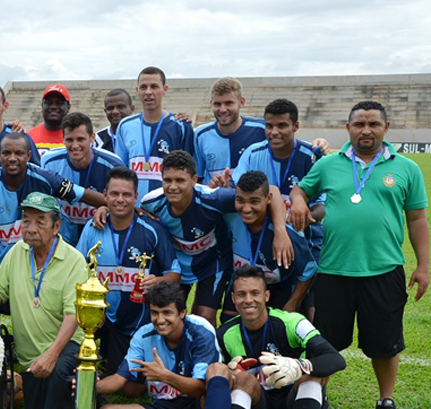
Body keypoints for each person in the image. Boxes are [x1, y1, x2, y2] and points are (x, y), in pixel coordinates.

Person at [290, 100, 429, 409]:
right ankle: (317, 396)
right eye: (359, 125)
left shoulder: (406, 168)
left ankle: (385, 402)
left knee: (386, 343)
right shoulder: (329, 165)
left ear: (386, 127)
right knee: (325, 341)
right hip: (334, 270)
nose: (366, 131)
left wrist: (424, 265)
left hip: (384, 270)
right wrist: (297, 200)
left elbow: (417, 219)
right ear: (348, 128)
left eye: (373, 124)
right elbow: (301, 189)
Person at [180, 265, 346, 409]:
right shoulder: (225, 334)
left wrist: (300, 365)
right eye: (241, 294)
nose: (249, 300)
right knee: (243, 378)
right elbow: (212, 383)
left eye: (255, 293)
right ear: (233, 300)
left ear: (266, 296)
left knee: (315, 373)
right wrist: (230, 373)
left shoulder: (292, 322)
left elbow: (336, 359)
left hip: (293, 408)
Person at [97, 150, 292, 326]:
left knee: (205, 317)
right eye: (168, 180)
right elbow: (129, 210)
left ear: (194, 180)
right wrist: (105, 208)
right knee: (169, 316)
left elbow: (271, 191)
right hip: (177, 265)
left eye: (180, 180)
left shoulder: (213, 198)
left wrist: (281, 231)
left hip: (212, 263)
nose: (173, 187)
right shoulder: (152, 202)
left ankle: (206, 359)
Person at [0, 192, 86, 409]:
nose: (31, 228)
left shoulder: (74, 261)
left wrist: (52, 354)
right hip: (28, 355)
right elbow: (1, 289)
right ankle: (74, 402)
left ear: (56, 227)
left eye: (40, 221)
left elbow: (73, 316)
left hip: (66, 344)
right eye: (26, 220)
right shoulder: (16, 252)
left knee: (58, 372)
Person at [95, 282, 219, 409]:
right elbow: (118, 380)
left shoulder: (200, 330)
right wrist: (87, 385)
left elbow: (200, 388)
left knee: (213, 390)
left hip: (199, 406)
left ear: (182, 312)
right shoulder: (143, 335)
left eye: (167, 312)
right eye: (155, 312)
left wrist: (165, 376)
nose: (160, 319)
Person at [76, 166, 181, 373]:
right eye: (114, 194)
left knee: (131, 386)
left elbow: (175, 275)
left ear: (136, 197)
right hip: (97, 315)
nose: (120, 200)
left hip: (134, 318)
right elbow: (76, 270)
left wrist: (157, 281)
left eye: (126, 194)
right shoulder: (93, 227)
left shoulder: (153, 230)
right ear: (105, 195)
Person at [231, 99, 326, 318]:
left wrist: (306, 215)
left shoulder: (311, 157)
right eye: (269, 126)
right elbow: (240, 189)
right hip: (265, 239)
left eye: (282, 125)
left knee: (307, 309)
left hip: (307, 242)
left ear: (296, 126)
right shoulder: (254, 153)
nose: (274, 132)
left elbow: (324, 204)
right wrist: (279, 228)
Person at [0, 132, 105, 276]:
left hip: (40, 268)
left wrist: (109, 205)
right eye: (6, 153)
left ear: (28, 156)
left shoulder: (47, 179)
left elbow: (82, 194)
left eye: (19, 153)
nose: (12, 158)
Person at [196, 79, 329, 188]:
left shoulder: (262, 128)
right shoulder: (200, 134)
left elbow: (288, 140)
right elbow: (197, 178)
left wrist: (319, 144)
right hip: (217, 206)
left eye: (229, 103)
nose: (223, 109)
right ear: (211, 104)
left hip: (252, 209)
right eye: (217, 104)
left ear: (242, 102)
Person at [223, 170, 316, 317]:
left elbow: (309, 271)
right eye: (240, 200)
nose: (246, 209)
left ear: (268, 199)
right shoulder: (229, 216)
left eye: (254, 201)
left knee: (277, 327)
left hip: (279, 287)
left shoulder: (287, 233)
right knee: (228, 320)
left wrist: (291, 305)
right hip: (244, 284)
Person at [42, 112, 124, 245]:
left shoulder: (113, 164)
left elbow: (123, 202)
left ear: (92, 137)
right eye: (69, 140)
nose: (75, 146)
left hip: (99, 238)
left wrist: (107, 208)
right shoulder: (48, 162)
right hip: (62, 240)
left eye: (80, 139)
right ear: (62, 138)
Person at [114, 67, 194, 200]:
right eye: (143, 87)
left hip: (168, 208)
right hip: (134, 208)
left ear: (165, 89)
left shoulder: (181, 126)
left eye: (154, 86)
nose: (148, 92)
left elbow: (189, 174)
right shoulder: (125, 125)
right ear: (137, 91)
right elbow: (119, 171)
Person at [27, 84, 71, 156]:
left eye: (59, 103)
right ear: (42, 105)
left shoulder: (76, 140)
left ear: (68, 107)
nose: (53, 106)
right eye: (49, 103)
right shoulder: (28, 138)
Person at [94, 89, 135, 154]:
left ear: (131, 109)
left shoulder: (142, 135)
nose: (115, 111)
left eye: (120, 107)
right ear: (105, 111)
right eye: (110, 108)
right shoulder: (97, 139)